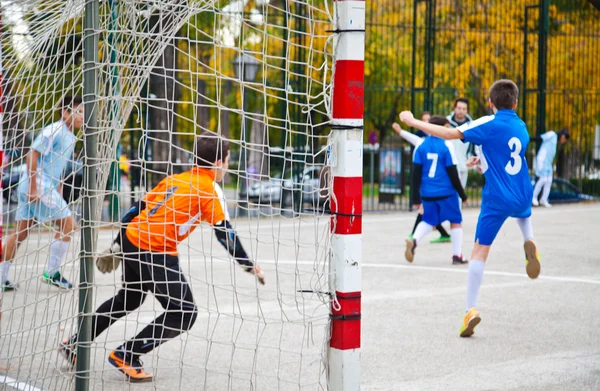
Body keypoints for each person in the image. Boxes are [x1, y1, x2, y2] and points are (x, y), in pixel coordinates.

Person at [59, 133, 265, 382]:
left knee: (129, 298)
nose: (227, 166)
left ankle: (75, 343)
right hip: (156, 250)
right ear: (219, 162)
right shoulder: (210, 189)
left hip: (132, 238)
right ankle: (127, 354)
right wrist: (248, 264)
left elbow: (136, 209)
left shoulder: (174, 179)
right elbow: (225, 234)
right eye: (228, 160)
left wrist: (118, 244)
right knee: (185, 311)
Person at [399, 79, 541, 338]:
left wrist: (413, 122)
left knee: (479, 251)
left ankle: (470, 310)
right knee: (522, 211)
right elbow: (508, 156)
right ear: (516, 102)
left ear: (490, 102)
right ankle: (529, 239)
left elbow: (450, 134)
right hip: (522, 193)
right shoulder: (521, 126)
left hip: (497, 198)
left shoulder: (488, 122)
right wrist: (482, 161)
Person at [1, 96, 83, 291]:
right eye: (79, 112)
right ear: (65, 112)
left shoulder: (70, 135)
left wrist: (59, 185)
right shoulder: (54, 130)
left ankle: (2, 277)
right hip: (37, 185)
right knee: (69, 224)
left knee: (20, 232)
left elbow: (57, 163)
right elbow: (32, 154)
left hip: (43, 186)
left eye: (84, 113)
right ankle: (52, 273)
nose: (82, 117)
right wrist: (33, 187)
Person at [401, 115, 469, 266]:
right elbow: (452, 172)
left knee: (428, 220)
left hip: (428, 193)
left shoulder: (421, 146)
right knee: (456, 221)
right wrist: (462, 194)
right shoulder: (447, 145)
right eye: (447, 127)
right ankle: (457, 255)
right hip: (447, 193)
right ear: (441, 128)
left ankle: (414, 240)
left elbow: (415, 174)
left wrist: (416, 199)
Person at [392, 114, 452, 244]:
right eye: (423, 120)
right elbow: (411, 137)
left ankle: (414, 236)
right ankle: (443, 234)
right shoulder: (424, 141)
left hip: (432, 184)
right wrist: (400, 131)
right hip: (426, 182)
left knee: (426, 210)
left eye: (427, 121)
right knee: (427, 210)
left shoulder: (441, 143)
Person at [532, 128, 570, 207]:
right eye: (564, 139)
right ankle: (533, 197)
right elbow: (541, 138)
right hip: (542, 160)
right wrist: (530, 139)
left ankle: (543, 199)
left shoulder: (555, 141)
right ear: (563, 136)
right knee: (543, 179)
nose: (563, 142)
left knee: (549, 180)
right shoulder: (552, 134)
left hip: (548, 163)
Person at [447, 98, 474, 189]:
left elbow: (475, 146)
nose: (461, 111)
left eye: (464, 109)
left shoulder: (472, 126)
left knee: (459, 195)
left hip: (463, 165)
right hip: (447, 166)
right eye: (459, 108)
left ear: (467, 110)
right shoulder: (446, 123)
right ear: (454, 108)